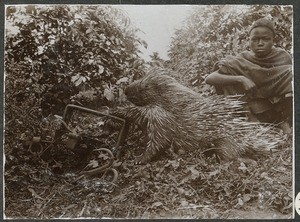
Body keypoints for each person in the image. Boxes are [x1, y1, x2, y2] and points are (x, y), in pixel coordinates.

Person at [205, 17, 293, 134]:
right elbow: (210, 78)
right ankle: (253, 123)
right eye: (255, 39)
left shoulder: (282, 56)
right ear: (249, 40)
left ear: (273, 40)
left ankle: (284, 122)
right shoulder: (242, 59)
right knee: (229, 76)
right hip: (252, 108)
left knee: (291, 74)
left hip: (277, 106)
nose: (260, 43)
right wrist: (241, 79)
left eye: (265, 39)